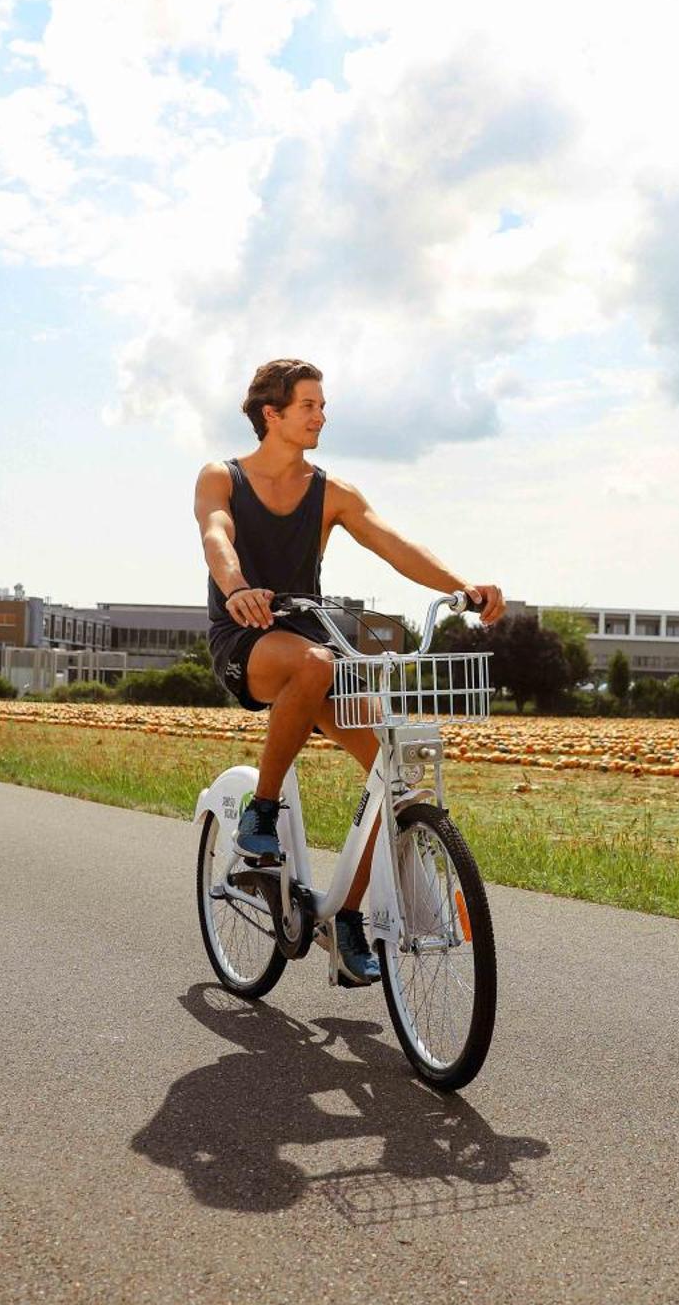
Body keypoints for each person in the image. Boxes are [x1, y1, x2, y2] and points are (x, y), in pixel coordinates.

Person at [194, 359, 505, 985]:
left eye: (322, 404)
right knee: (312, 661)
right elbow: (216, 533)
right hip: (248, 639)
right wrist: (237, 587)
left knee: (391, 773)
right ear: (271, 415)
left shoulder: (332, 492)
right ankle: (260, 812)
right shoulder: (221, 476)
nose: (321, 416)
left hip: (314, 640)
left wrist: (462, 586)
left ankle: (349, 917)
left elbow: (392, 543)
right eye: (309, 405)